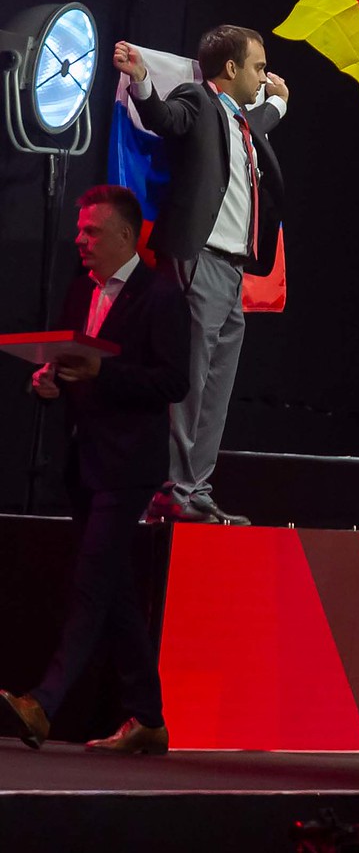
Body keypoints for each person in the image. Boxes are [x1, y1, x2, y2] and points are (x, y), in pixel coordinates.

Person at [1, 186, 189, 754]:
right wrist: (48, 383)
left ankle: (43, 704)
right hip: (84, 459)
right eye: (80, 231)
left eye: (91, 232)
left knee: (90, 583)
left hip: (129, 465)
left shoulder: (159, 296)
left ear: (126, 237)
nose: (79, 241)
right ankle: (148, 719)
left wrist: (102, 375)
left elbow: (172, 382)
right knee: (115, 590)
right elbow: (64, 361)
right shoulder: (81, 290)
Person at [115, 26, 290, 526]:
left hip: (234, 271)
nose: (263, 76)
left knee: (217, 387)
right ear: (230, 69)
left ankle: (196, 489)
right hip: (201, 260)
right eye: (258, 67)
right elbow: (164, 118)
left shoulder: (240, 122)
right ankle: (173, 491)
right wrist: (144, 80)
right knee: (190, 383)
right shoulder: (198, 100)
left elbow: (257, 122)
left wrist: (278, 104)